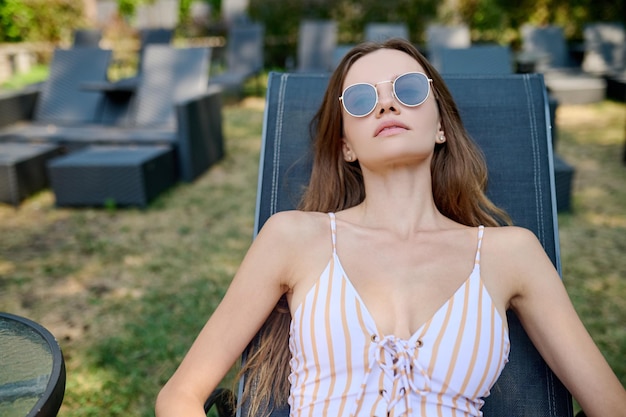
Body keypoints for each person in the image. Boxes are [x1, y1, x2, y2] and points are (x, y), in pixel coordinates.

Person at [156, 39, 626, 417]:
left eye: (408, 89)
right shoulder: (294, 238)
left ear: (440, 125)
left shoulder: (511, 254)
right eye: (361, 100)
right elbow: (179, 398)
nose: (386, 106)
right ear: (346, 147)